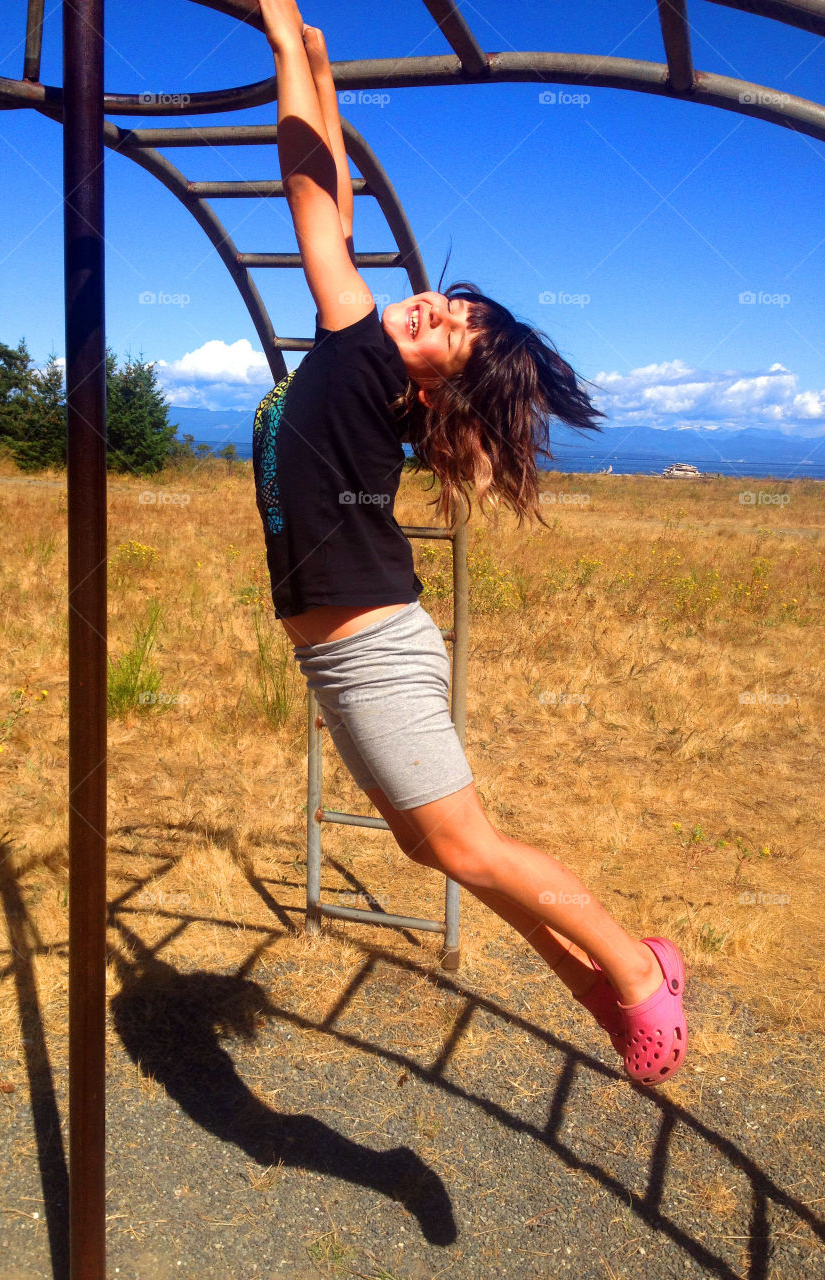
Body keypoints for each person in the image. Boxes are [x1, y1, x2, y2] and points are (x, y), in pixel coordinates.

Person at [252, 0, 688, 1086]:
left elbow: (311, 192)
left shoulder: (364, 356)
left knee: (465, 846)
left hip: (373, 649)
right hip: (345, 649)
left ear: (438, 382)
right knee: (437, 843)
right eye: (444, 303)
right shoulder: (360, 357)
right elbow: (336, 188)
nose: (430, 310)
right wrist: (310, 52)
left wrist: (278, 42)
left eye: (450, 330)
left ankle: (637, 970)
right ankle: (600, 981)